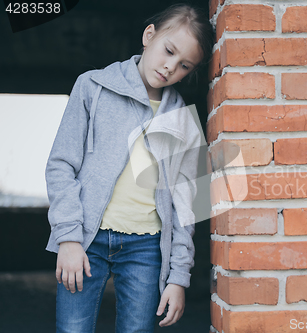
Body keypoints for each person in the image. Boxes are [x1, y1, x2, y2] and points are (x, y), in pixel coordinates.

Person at [44, 3, 214, 332]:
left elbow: (188, 209)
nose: (169, 67)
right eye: (168, 51)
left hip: (146, 248)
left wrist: (178, 277)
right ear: (149, 36)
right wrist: (67, 238)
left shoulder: (183, 121)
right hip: (85, 240)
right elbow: (61, 165)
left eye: (183, 65)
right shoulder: (92, 87)